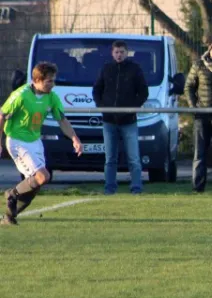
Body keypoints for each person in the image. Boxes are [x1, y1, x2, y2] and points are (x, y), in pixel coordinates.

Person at [0, 62, 83, 225]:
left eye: (53, 81)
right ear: (37, 80)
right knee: (42, 176)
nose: (53, 85)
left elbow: (62, 120)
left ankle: (10, 215)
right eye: (49, 81)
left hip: (34, 141)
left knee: (37, 184)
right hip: (17, 141)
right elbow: (1, 116)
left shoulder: (51, 97)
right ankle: (12, 193)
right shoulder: (21, 95)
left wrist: (75, 138)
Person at [92, 40, 149, 195]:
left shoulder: (134, 69)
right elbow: (97, 90)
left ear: (127, 52)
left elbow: (143, 92)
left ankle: (136, 188)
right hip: (109, 121)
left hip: (129, 121)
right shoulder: (106, 69)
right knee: (110, 158)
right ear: (112, 53)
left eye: (122, 52)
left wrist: (132, 108)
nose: (119, 55)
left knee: (134, 158)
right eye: (116, 52)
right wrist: (102, 107)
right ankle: (110, 188)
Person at [184, 35, 212, 192]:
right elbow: (188, 87)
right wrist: (193, 107)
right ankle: (198, 187)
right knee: (199, 153)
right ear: (209, 48)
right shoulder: (198, 65)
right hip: (202, 116)